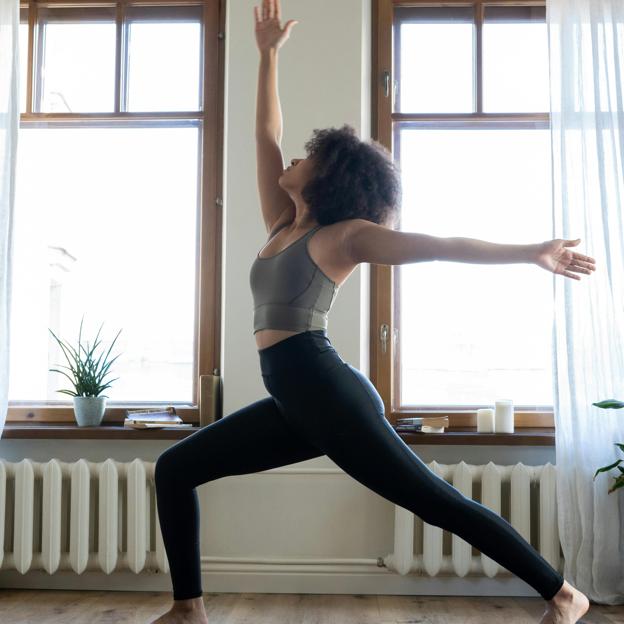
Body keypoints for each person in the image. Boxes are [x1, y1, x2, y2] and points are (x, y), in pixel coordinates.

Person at [150, 1, 596, 623]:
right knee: (176, 467)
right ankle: (189, 608)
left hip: (326, 391)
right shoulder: (284, 221)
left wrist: (531, 252)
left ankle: (563, 595)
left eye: (308, 157)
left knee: (434, 501)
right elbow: (264, 137)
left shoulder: (345, 237)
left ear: (329, 179)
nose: (292, 160)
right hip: (294, 397)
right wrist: (268, 55)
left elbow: (440, 247)